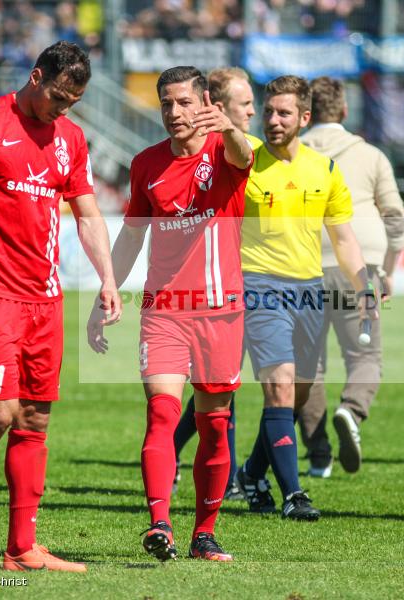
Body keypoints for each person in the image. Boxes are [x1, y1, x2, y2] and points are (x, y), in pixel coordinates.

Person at [0, 41, 120, 572]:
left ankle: (21, 548)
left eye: (73, 102)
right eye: (58, 96)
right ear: (36, 77)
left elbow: (87, 213)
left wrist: (108, 279)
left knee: (34, 418)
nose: (63, 109)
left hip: (44, 298)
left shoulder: (70, 138)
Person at [90, 66, 252, 561]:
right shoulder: (146, 164)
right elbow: (134, 234)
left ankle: (205, 532)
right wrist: (108, 290)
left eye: (183, 102)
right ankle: (159, 523)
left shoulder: (224, 150)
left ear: (204, 101)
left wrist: (228, 126)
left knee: (214, 424)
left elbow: (245, 156)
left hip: (222, 310)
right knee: (162, 412)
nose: (174, 113)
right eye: (166, 104)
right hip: (165, 309)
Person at [234, 75, 377, 520]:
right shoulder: (246, 161)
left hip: (310, 289)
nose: (274, 120)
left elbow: (345, 239)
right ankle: (294, 494)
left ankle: (252, 473)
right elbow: (231, 149)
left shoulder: (325, 170)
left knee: (295, 396)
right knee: (278, 386)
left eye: (284, 113)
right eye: (269, 112)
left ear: (305, 118)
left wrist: (364, 288)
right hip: (258, 285)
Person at [298, 76, 404, 477]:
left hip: (304, 264)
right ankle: (351, 410)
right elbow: (395, 216)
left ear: (306, 113)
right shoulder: (371, 155)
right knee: (365, 356)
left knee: (309, 364)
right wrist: (390, 267)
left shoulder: (293, 152)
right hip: (358, 263)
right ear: (344, 111)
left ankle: (319, 453)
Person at [172, 66, 258, 501]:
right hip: (218, 290)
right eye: (247, 105)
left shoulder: (257, 149)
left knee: (223, 391)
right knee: (218, 394)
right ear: (218, 107)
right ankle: (228, 479)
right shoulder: (217, 152)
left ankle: (218, 471)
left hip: (262, 283)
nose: (254, 112)